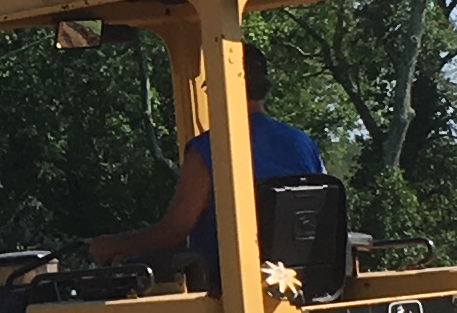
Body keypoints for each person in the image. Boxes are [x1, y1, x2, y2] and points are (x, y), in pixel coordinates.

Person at [86, 42, 326, 275]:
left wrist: (113, 246)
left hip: (225, 290)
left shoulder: (210, 149)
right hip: (299, 282)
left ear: (222, 85)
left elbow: (174, 230)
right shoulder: (304, 144)